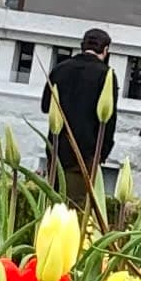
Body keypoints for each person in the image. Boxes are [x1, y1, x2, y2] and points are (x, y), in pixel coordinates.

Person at [43, 27, 117, 198]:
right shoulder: (106, 75)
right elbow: (109, 120)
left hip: (56, 150)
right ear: (106, 50)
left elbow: (46, 106)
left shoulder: (60, 69)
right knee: (75, 211)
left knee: (50, 205)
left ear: (82, 46)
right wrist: (102, 154)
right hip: (84, 156)